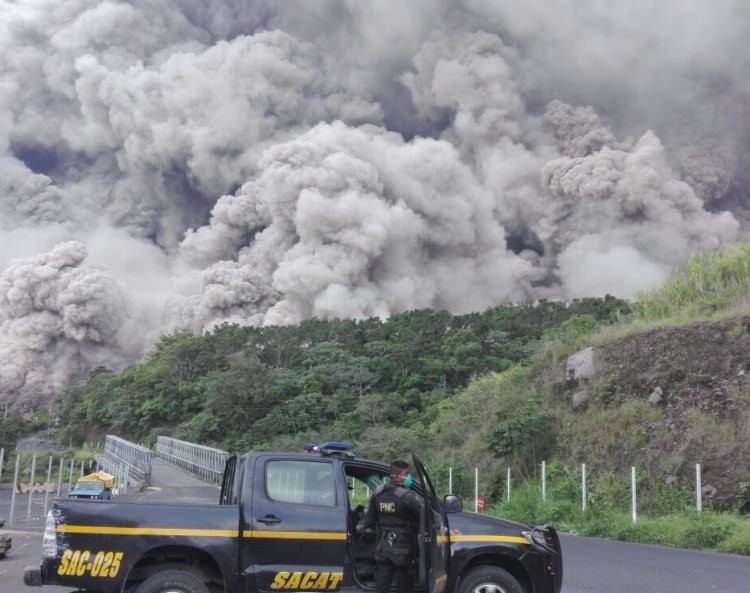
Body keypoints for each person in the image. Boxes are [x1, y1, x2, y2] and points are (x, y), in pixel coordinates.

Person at [363, 460, 422, 593]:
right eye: (406, 474)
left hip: (384, 548)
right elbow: (422, 518)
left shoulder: (378, 494)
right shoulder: (407, 497)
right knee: (404, 586)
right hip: (404, 550)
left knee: (382, 586)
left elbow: (369, 522)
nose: (408, 477)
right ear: (397, 476)